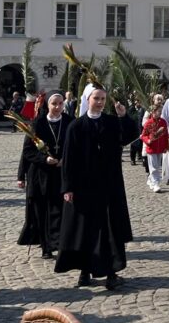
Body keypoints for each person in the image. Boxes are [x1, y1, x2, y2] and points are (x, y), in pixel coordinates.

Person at [55, 84, 138, 289]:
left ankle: (111, 273)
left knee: (108, 230)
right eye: (96, 99)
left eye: (102, 99)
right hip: (84, 188)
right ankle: (84, 273)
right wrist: (68, 188)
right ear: (87, 100)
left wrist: (124, 116)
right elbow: (69, 159)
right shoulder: (76, 126)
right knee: (85, 230)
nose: (100, 102)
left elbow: (131, 136)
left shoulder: (112, 122)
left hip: (109, 186)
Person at [18, 92, 69, 259]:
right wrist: (44, 159)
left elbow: (76, 146)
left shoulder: (69, 122)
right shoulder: (38, 123)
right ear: (48, 105)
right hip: (40, 175)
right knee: (42, 211)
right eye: (54, 103)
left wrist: (65, 159)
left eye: (60, 103)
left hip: (61, 174)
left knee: (59, 210)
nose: (58, 107)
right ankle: (46, 246)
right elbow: (27, 151)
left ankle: (59, 243)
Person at [140, 99, 169, 193]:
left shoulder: (163, 122)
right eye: (158, 111)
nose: (160, 113)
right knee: (153, 167)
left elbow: (165, 135)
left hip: (160, 148)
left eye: (161, 111)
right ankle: (156, 183)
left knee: (157, 166)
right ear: (153, 112)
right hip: (151, 148)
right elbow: (143, 135)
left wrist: (166, 147)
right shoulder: (148, 123)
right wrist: (148, 140)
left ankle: (150, 179)